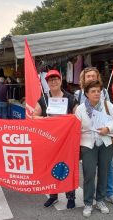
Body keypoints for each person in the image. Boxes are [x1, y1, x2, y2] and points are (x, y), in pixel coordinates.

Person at [74, 67, 113, 206]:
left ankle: (101, 199)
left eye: (98, 91)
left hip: (105, 142)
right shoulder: (80, 108)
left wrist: (108, 128)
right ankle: (88, 203)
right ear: (86, 93)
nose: (96, 93)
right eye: (93, 91)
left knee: (104, 172)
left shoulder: (107, 105)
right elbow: (76, 128)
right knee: (89, 174)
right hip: (88, 144)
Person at [32, 69, 77, 209]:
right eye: (50, 80)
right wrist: (45, 119)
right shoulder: (43, 99)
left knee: (67, 167)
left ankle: (70, 196)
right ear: (47, 82)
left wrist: (68, 120)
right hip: (49, 142)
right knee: (51, 167)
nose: (53, 82)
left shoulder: (70, 98)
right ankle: (53, 195)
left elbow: (77, 116)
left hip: (66, 142)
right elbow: (34, 116)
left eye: (56, 79)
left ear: (60, 80)